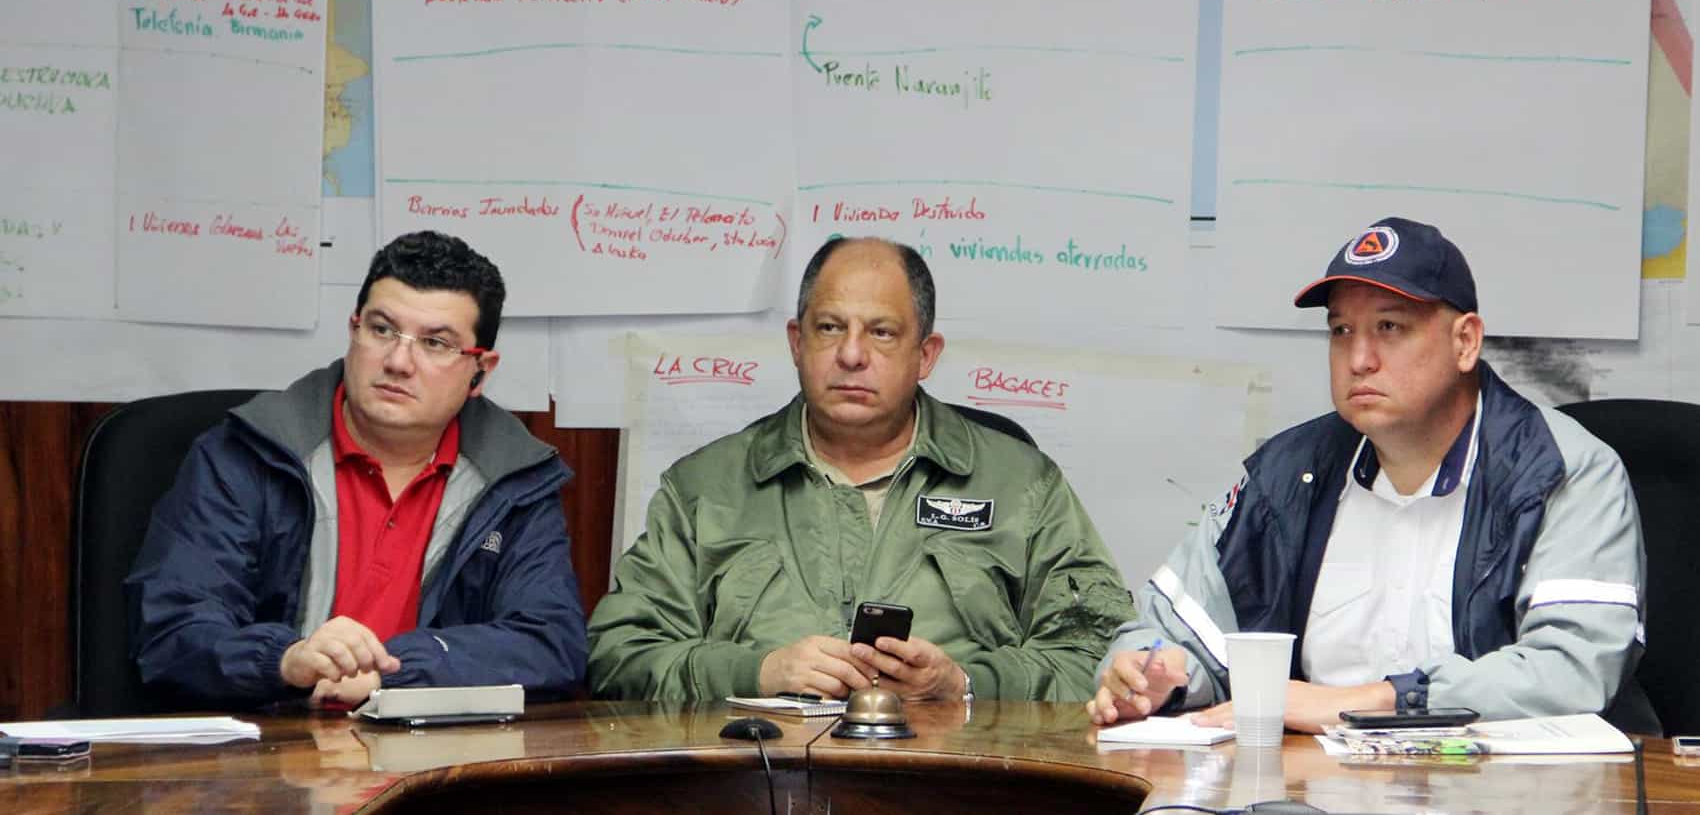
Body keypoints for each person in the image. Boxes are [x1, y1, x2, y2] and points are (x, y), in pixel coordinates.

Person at [1090, 217, 1651, 732]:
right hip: (1314, 787)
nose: (1359, 359)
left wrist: (1375, 701)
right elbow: (1172, 631)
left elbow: (1573, 669)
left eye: (1389, 327)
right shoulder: (1288, 476)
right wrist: (1156, 674)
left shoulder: (1560, 471)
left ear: (1466, 342)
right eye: (1340, 332)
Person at [587, 237, 1135, 702]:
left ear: (926, 354)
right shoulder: (706, 488)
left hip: (958, 786)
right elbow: (617, 657)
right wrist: (757, 672)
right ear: (797, 344)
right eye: (829, 327)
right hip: (756, 786)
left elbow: (1099, 658)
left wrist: (965, 684)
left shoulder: (1021, 485)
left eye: (881, 332)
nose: (851, 354)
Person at [127, 231, 587, 708]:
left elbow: (550, 644)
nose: (398, 361)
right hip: (269, 751)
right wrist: (286, 660)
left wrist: (393, 673)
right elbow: (173, 629)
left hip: (435, 761)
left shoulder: (515, 479)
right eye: (382, 329)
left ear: (480, 371)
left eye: (434, 343)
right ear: (353, 330)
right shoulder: (247, 454)